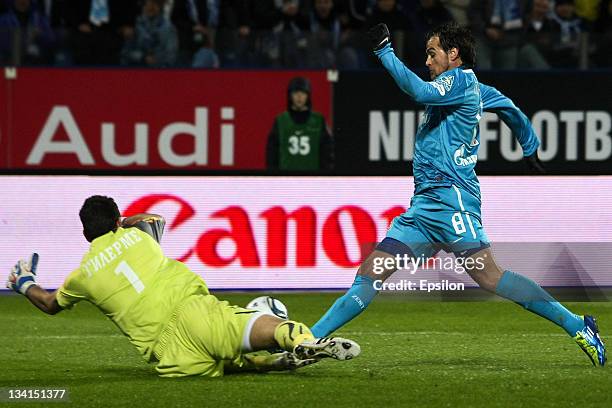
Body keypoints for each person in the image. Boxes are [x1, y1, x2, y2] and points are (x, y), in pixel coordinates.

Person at [309, 22, 606, 367]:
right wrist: (530, 147)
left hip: (453, 203)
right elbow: (508, 106)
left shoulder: (460, 79)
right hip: (423, 210)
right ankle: (306, 340)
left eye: (432, 53)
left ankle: (577, 326)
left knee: (490, 277)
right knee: (371, 272)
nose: (428, 62)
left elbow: (418, 92)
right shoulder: (474, 89)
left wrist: (384, 52)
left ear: (454, 54)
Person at [6, 195, 360, 378]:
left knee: (231, 367)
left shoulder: (80, 277)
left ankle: (271, 363)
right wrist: (124, 221)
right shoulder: (138, 237)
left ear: (85, 233)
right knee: (245, 326)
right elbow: (156, 220)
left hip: (169, 355)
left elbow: (51, 303)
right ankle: (302, 341)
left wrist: (24, 283)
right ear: (116, 221)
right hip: (192, 313)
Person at [267, 77, 334, 172]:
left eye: (303, 93)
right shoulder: (280, 121)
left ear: (308, 95)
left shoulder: (318, 121)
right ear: (290, 96)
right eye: (295, 93)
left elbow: (327, 154)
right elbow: (272, 155)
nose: (299, 97)